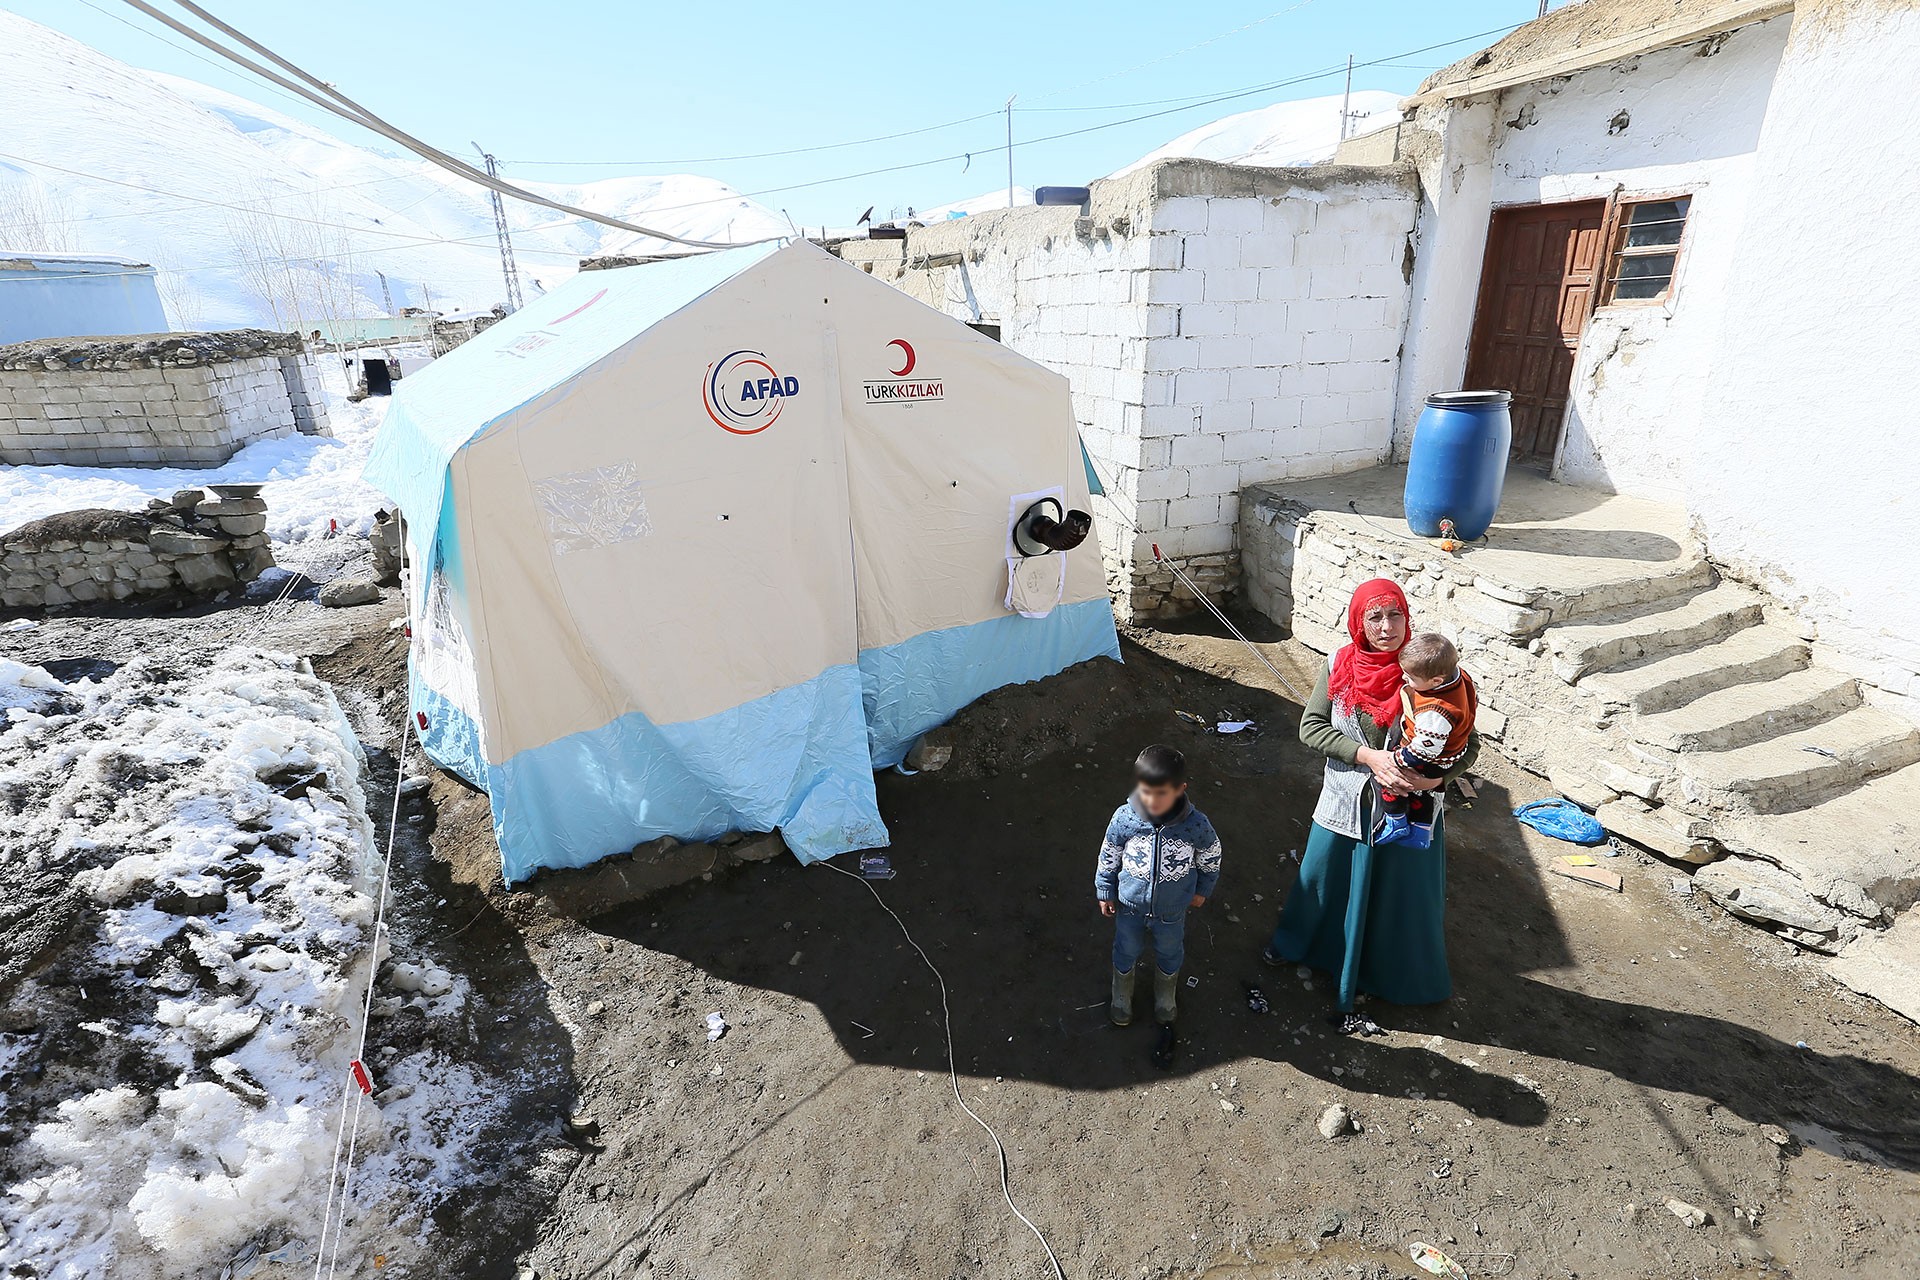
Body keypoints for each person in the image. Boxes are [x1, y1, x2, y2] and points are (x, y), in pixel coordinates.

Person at [1263, 579, 1478, 1035]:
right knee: (1322, 879)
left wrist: (1439, 777)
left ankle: (1392, 976)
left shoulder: (1433, 668)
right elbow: (1311, 727)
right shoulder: (1340, 664)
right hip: (1346, 800)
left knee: (1400, 898)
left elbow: (1469, 743)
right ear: (1359, 622)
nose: (1386, 627)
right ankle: (1300, 946)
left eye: (1394, 614)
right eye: (1374, 617)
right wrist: (1368, 756)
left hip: (1412, 809)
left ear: (1407, 616)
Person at [1095, 744, 1222, 1070]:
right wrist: (1105, 888)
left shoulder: (1195, 826)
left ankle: (1165, 994)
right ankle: (1121, 992)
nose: (1151, 801)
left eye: (1161, 793)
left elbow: (1211, 858)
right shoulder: (1125, 818)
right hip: (1130, 906)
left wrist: (1203, 888)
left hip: (1172, 910)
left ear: (1181, 789)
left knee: (1169, 950)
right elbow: (1109, 853)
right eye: (1145, 791)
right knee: (1126, 948)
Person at [1375, 633, 1478, 849]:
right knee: (1423, 793)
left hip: (1433, 755)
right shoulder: (1459, 677)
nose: (1405, 679)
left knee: (1393, 780)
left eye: (1411, 678)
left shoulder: (1435, 713)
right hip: (1453, 750)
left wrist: (1396, 760)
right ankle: (1421, 833)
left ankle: (1396, 822)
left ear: (1436, 681)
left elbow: (1423, 750)